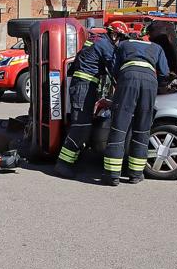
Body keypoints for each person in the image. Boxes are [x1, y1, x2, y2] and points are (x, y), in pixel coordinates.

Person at [53, 22, 124, 179]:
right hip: (84, 88)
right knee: (81, 127)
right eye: (121, 38)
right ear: (115, 35)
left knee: (81, 125)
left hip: (83, 87)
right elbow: (114, 68)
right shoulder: (105, 44)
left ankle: (71, 161)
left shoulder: (94, 41)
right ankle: (63, 164)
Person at [103, 25, 170, 186]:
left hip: (128, 79)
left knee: (119, 127)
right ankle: (135, 174)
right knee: (142, 128)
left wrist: (121, 83)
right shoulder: (157, 47)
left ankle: (113, 175)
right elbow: (164, 73)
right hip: (149, 83)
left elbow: (113, 67)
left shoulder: (123, 45)